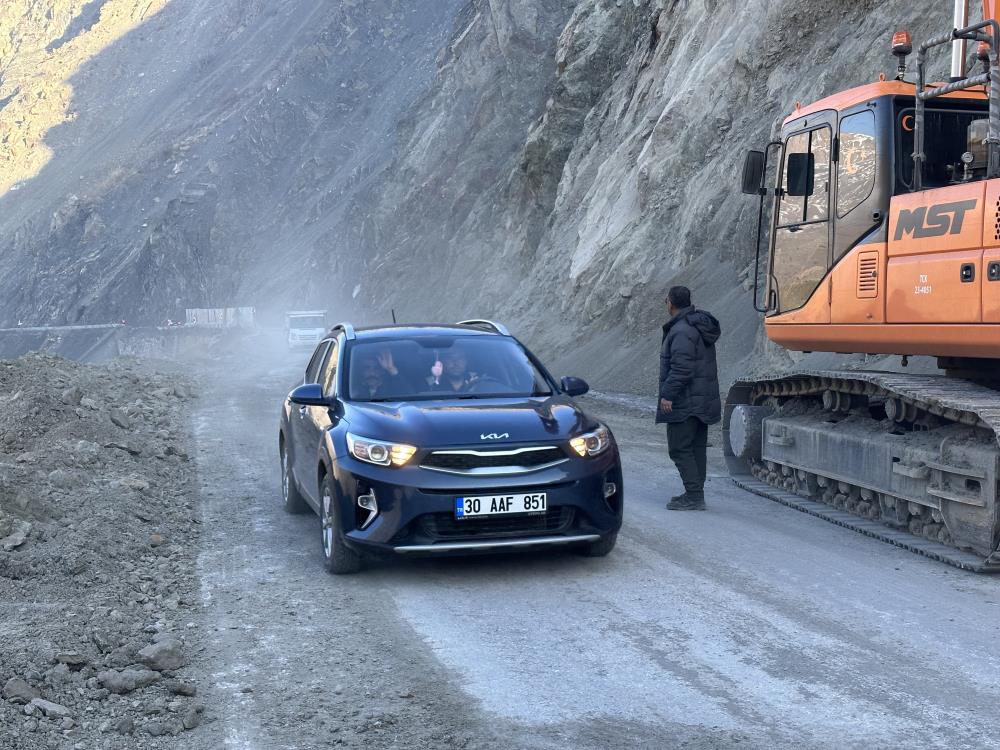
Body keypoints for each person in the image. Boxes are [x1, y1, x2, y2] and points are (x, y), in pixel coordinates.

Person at [656, 286, 722, 511]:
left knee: (679, 448)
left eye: (666, 300)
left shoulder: (682, 330)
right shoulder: (696, 325)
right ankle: (695, 493)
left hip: (686, 400)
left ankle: (694, 496)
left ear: (671, 303)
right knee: (696, 448)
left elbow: (682, 368)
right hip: (701, 399)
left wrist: (668, 395)